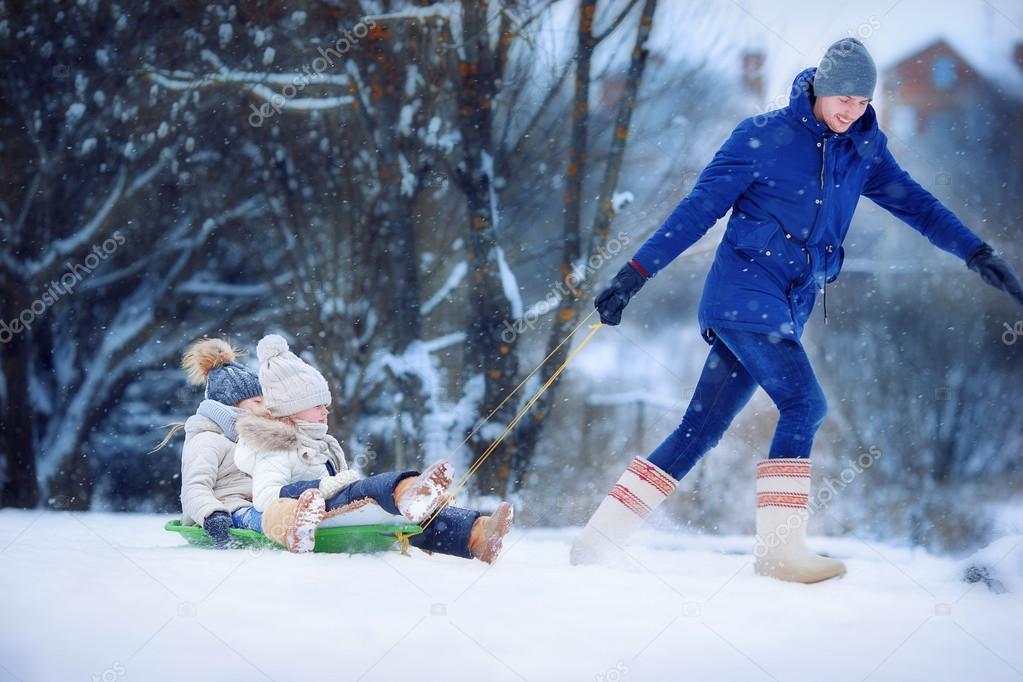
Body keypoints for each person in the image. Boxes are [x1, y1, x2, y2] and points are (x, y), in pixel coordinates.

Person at [572, 37, 1023, 583]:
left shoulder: (864, 150)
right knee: (805, 405)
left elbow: (919, 206)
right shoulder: (760, 137)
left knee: (701, 429)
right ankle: (780, 551)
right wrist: (633, 274)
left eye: (862, 101)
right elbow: (698, 211)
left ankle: (594, 544)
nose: (850, 110)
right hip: (741, 298)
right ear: (819, 87)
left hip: (785, 307)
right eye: (842, 99)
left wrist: (977, 252)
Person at [234, 334, 514, 561]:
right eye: (317, 406)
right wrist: (323, 487)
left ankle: (477, 535)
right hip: (310, 516)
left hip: (331, 512)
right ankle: (409, 492)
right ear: (291, 409)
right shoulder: (275, 447)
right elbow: (265, 498)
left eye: (325, 405)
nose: (325, 412)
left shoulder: (322, 444)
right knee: (369, 490)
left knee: (399, 521)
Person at [166, 338, 269, 548]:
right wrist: (212, 514)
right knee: (261, 515)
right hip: (229, 512)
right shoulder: (207, 441)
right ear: (230, 404)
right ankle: (286, 525)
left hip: (263, 505)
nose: (266, 408)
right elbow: (194, 489)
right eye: (258, 401)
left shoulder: (258, 441)